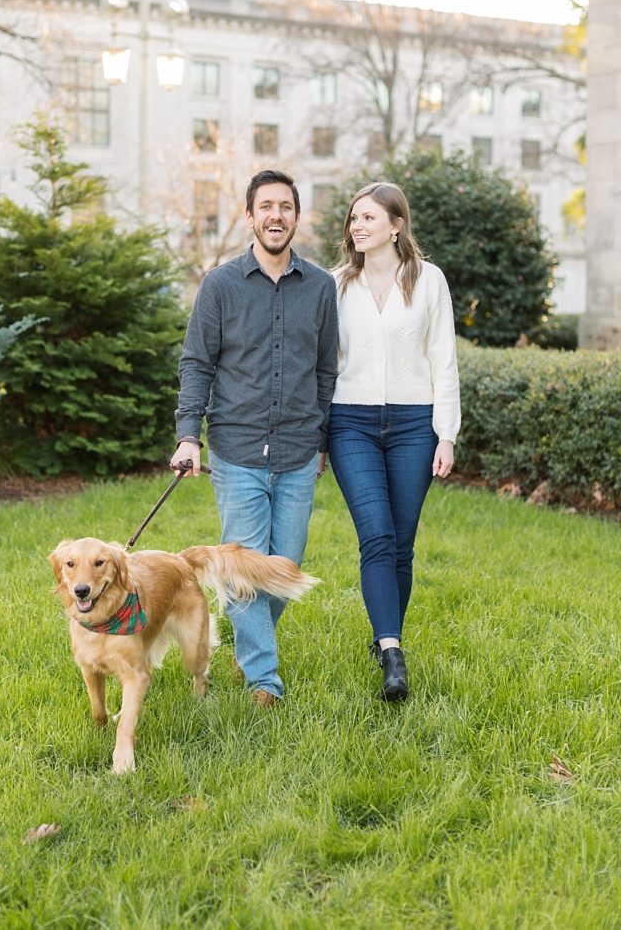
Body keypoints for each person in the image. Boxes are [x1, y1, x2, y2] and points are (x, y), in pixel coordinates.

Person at [172, 169, 338, 707]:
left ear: (295, 216)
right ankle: (263, 680)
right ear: (249, 216)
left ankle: (247, 641)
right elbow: (197, 362)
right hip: (236, 450)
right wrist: (188, 435)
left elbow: (325, 370)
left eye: (285, 207)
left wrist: (322, 441)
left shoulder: (320, 287)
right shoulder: (220, 285)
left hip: (296, 452)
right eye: (265, 206)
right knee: (245, 569)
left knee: (282, 570)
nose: (275, 216)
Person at [327, 181, 459, 702]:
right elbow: (325, 364)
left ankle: (384, 639)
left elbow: (443, 361)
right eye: (353, 218)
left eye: (368, 218)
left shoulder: (430, 281)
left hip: (414, 423)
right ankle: (392, 651)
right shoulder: (335, 284)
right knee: (377, 536)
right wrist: (319, 437)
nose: (357, 226)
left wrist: (445, 433)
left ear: (396, 226)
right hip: (349, 421)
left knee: (402, 544)